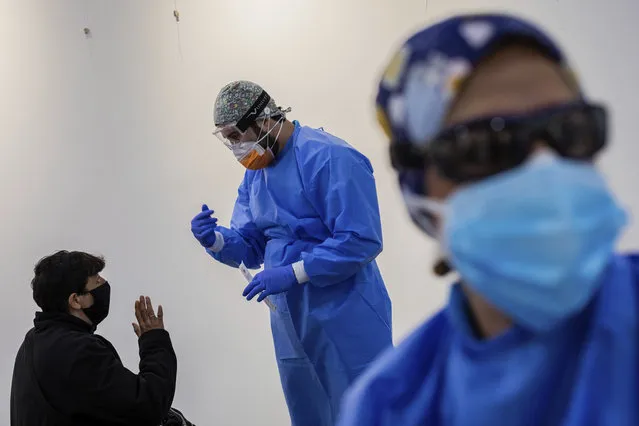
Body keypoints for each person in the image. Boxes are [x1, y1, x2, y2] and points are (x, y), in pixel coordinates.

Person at [337, 13, 638, 426]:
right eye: (485, 146)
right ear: (420, 191)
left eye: (571, 130)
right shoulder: (388, 407)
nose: (545, 168)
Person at [190, 80, 393, 425]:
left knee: (364, 411)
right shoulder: (257, 175)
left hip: (345, 313)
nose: (235, 147)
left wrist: (295, 272)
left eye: (235, 135)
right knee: (309, 410)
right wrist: (217, 241)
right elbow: (253, 244)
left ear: (265, 120)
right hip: (291, 321)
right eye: (226, 139)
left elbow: (361, 238)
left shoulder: (329, 156)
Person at [10, 250, 180, 426]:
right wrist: (154, 342)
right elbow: (148, 406)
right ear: (75, 300)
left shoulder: (33, 342)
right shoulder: (77, 350)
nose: (104, 283)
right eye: (96, 281)